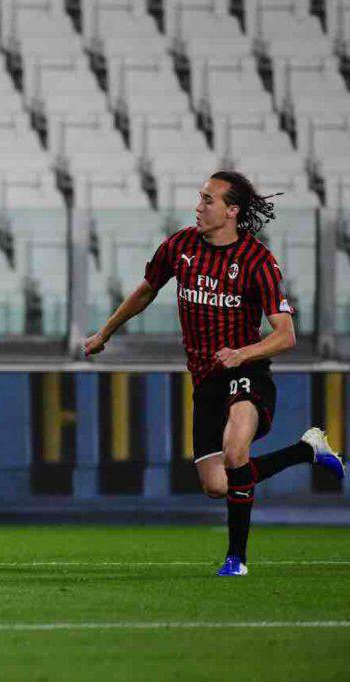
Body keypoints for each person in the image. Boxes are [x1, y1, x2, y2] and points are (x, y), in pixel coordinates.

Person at [84, 170, 345, 577]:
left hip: (248, 371)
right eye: (200, 198)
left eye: (208, 200)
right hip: (205, 377)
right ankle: (307, 451)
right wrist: (105, 332)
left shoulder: (258, 261)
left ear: (232, 211)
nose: (198, 207)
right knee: (218, 485)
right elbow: (147, 289)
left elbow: (286, 335)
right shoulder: (180, 245)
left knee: (236, 451)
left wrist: (243, 354)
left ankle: (236, 559)